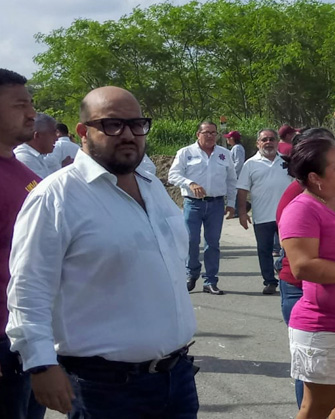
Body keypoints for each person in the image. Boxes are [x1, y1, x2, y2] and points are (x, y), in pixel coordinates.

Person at [6, 86, 198, 417]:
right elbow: (28, 289)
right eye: (113, 125)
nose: (128, 134)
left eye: (137, 124)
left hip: (176, 378)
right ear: (83, 131)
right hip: (104, 388)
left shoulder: (152, 186)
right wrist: (40, 364)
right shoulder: (56, 197)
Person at [280, 136, 335, 419]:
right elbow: (303, 266)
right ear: (315, 178)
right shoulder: (301, 209)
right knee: (319, 405)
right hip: (324, 325)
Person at [0, 68, 45, 419]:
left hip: (28, 338)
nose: (32, 114)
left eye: (31, 104)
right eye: (20, 105)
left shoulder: (26, 175)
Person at [168, 121, 237, 295]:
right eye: (206, 132)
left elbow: (231, 180)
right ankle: (191, 273)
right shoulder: (186, 153)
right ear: (198, 134)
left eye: (214, 133)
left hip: (216, 204)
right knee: (191, 240)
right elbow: (173, 175)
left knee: (212, 243)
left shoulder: (224, 154)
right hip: (193, 204)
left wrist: (231, 203)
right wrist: (190, 183)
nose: (210, 136)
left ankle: (210, 281)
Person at [236, 129, 292, 295]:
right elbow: (242, 190)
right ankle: (269, 282)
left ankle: (288, 278)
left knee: (290, 249)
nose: (268, 142)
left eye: (272, 139)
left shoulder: (287, 161)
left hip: (287, 216)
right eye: (264, 139)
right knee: (264, 250)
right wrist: (242, 213)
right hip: (262, 216)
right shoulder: (250, 164)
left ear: (277, 142)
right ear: (258, 143)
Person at [14, 113, 57, 179]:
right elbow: (43, 184)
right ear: (37, 135)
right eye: (53, 133)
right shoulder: (25, 159)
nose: (56, 138)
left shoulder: (37, 157)